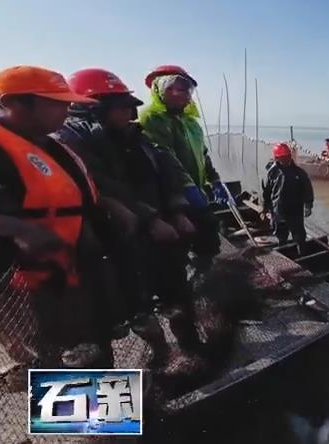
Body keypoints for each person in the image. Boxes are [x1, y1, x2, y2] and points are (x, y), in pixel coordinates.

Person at [0, 66, 111, 368]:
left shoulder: (43, 143)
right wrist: (18, 228)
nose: (67, 108)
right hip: (7, 289)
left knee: (82, 358)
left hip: (55, 279)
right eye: (56, 101)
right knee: (53, 365)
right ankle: (85, 413)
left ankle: (107, 415)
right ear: (12, 103)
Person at [55, 68, 203, 368]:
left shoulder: (135, 137)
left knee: (175, 294)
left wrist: (175, 210)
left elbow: (164, 169)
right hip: (105, 246)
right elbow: (99, 186)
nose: (129, 113)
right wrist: (150, 219)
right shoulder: (71, 143)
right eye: (121, 107)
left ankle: (183, 352)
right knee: (101, 327)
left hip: (151, 236)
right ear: (93, 106)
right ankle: (101, 408)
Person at [137, 65, 223, 264]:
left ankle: (203, 276)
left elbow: (203, 154)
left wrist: (216, 180)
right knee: (177, 248)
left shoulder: (191, 123)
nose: (178, 94)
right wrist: (187, 186)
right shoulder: (152, 118)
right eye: (170, 88)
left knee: (208, 237)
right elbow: (164, 155)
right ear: (157, 91)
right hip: (169, 196)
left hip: (197, 191)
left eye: (183, 89)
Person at [263, 142, 314, 247]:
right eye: (283, 158)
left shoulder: (299, 173)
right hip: (278, 210)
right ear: (277, 158)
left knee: (299, 236)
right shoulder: (272, 173)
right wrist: (265, 209)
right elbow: (267, 192)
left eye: (287, 156)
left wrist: (308, 206)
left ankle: (302, 254)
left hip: (295, 211)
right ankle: (283, 251)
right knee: (280, 235)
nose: (286, 159)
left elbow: (308, 190)